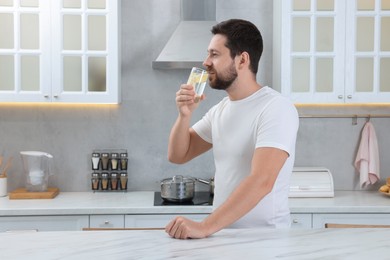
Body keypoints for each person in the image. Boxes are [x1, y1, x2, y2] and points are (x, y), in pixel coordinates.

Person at [166, 19, 299, 239]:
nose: (206, 62)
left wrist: (204, 226)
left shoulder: (276, 108)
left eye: (215, 54)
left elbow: (262, 180)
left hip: (264, 241)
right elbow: (178, 154)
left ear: (242, 60)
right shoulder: (220, 110)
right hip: (223, 236)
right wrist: (184, 116)